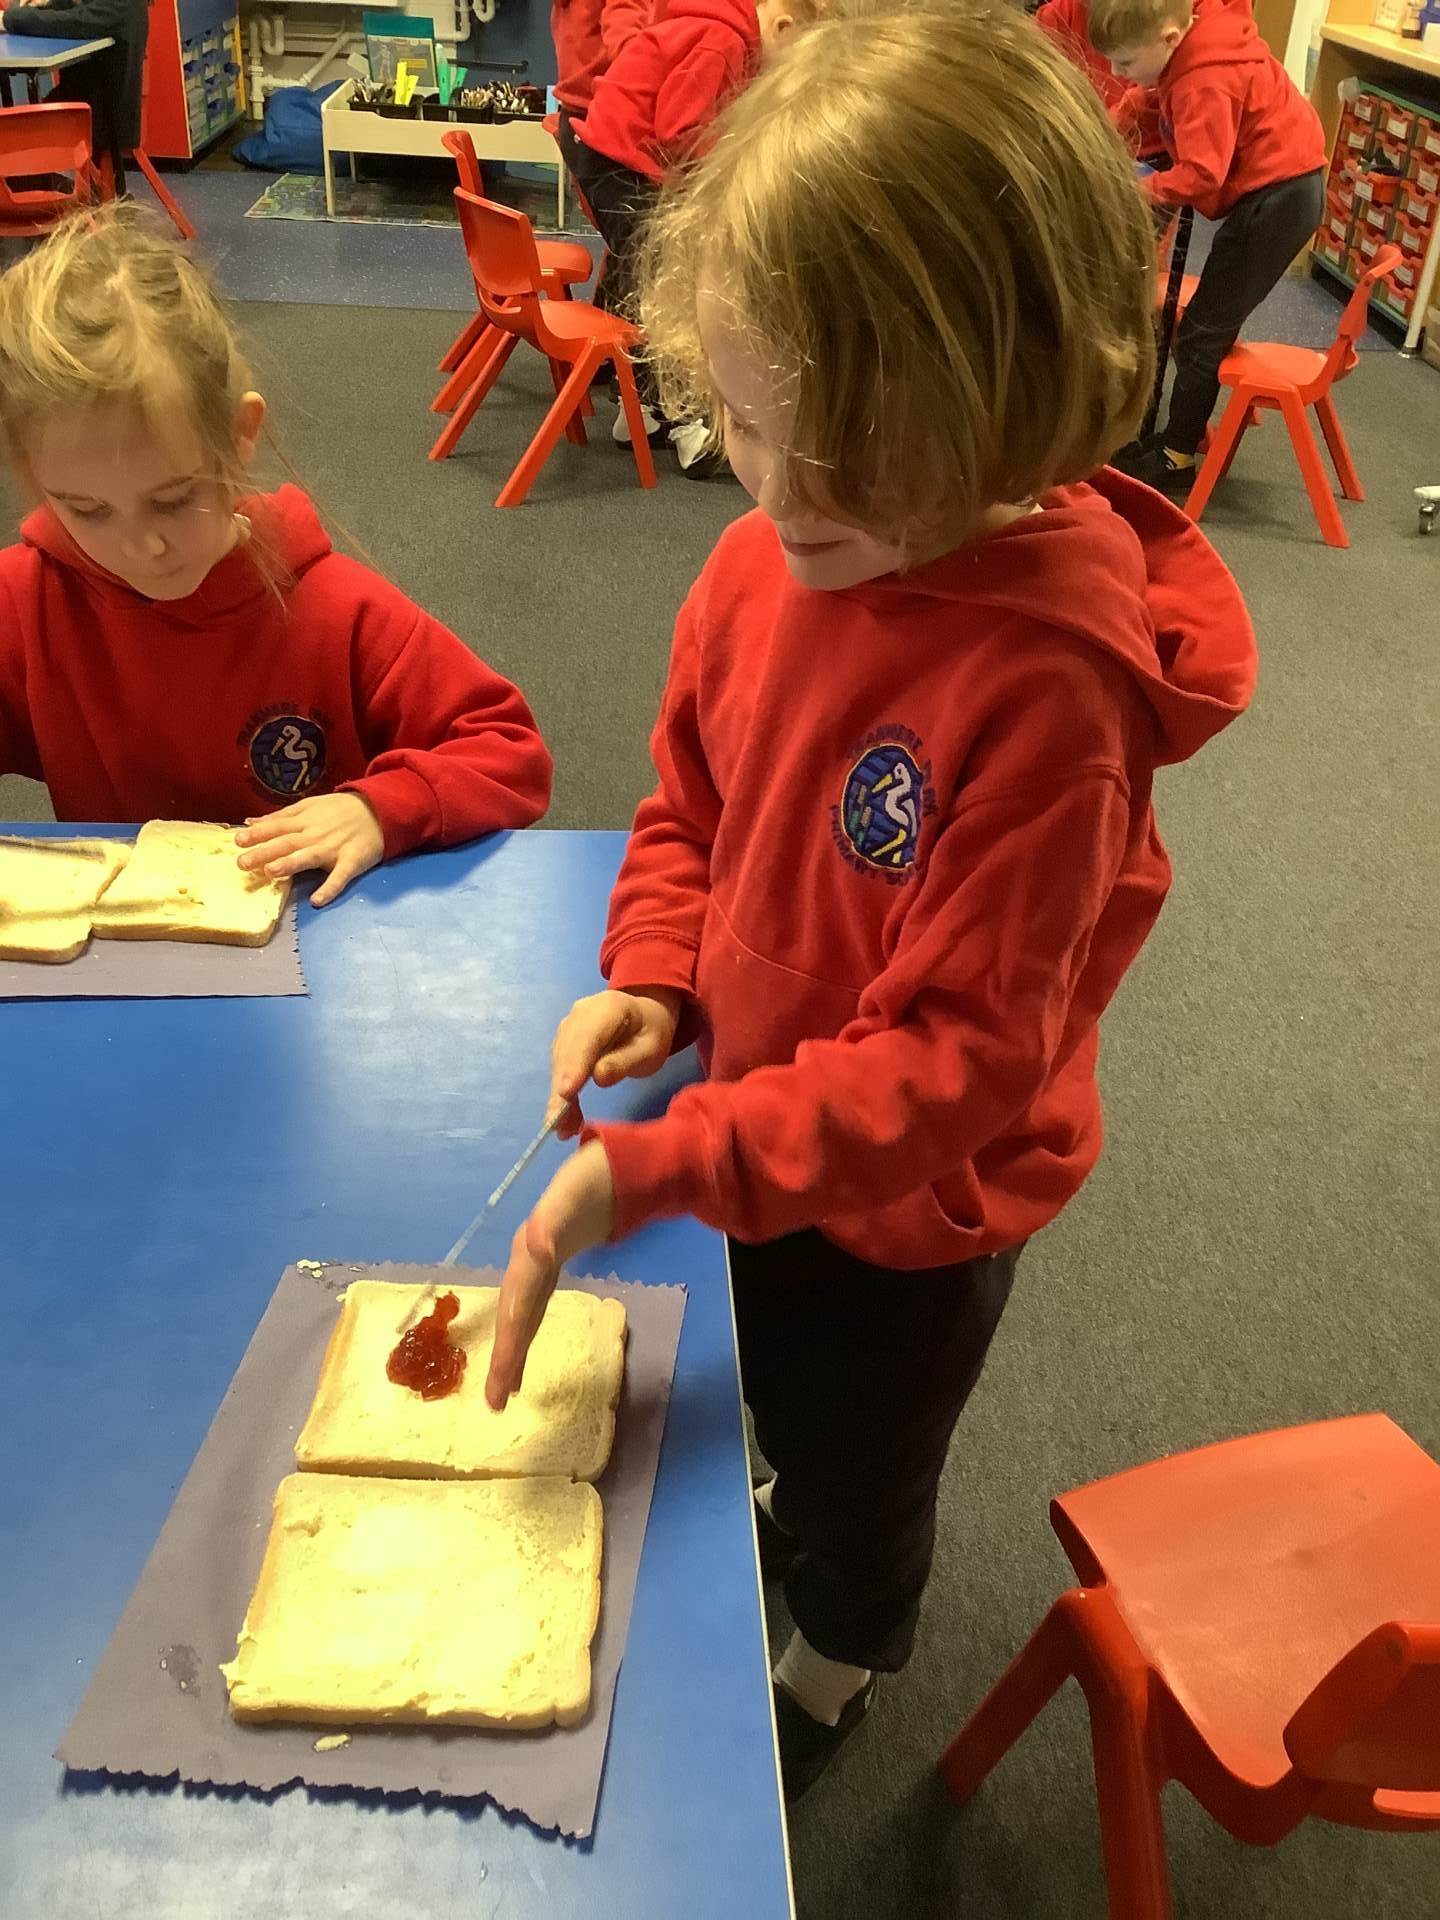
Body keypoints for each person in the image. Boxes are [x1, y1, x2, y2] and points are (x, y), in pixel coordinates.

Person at [479, 5, 1257, 1801]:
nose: (786, 490)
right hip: (756, 1110)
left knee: (860, 1462)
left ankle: (842, 1654)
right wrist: (658, 976)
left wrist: (665, 1162)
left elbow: (957, 1062)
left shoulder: (1050, 695)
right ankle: (799, 1495)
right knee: (772, 1376)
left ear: (1022, 390)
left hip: (916, 1211)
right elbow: (691, 804)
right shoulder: (762, 561)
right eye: (749, 424)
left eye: (860, 444)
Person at [0, 206, 552, 906]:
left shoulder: (339, 611)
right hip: (123, 951)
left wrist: (380, 808)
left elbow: (509, 751)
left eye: (174, 499)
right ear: (34, 475)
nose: (142, 544)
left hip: (320, 935)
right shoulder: (25, 600)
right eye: (87, 510)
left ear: (240, 436)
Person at [1091, 0, 1327, 493]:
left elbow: (1201, 174)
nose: (1116, 72)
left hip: (1277, 201)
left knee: (1201, 332)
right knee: (1201, 326)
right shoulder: (1195, 44)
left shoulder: (1204, 78)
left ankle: (1177, 456)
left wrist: (1131, 190)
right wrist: (1107, 130)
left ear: (1170, 38)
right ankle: (1175, 437)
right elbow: (1152, 98)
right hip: (1278, 190)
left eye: (1125, 61)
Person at [567, 0, 813, 471]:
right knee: (668, 286)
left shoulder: (722, 30)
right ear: (784, 28)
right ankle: (685, 427)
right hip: (621, 166)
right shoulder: (723, 42)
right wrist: (729, 173)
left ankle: (639, 414)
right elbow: (681, 130)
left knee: (642, 280)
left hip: (611, 158)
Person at [2, 0, 148, 193]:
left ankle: (65, 193)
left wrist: (12, 18)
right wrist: (32, 6)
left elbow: (70, 21)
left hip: (98, 117)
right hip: (86, 105)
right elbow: (67, 13)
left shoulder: (120, 5)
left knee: (10, 144)